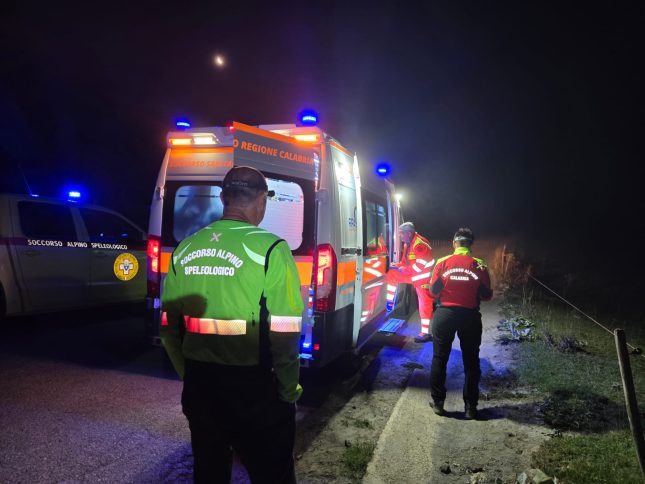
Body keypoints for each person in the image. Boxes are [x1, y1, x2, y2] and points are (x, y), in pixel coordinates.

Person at [160, 166, 304, 483]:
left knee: (209, 472)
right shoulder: (271, 249)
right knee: (273, 475)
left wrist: (189, 375)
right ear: (262, 200)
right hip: (255, 389)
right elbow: (285, 330)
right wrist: (288, 389)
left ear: (223, 198)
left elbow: (168, 327)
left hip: (200, 386)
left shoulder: (186, 248)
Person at [428, 227, 493, 420]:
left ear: (454, 243)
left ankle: (438, 403)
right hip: (470, 316)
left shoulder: (442, 262)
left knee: (440, 358)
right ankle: (470, 407)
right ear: (471, 244)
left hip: (445, 314)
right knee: (471, 361)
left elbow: (432, 291)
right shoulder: (479, 264)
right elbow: (487, 295)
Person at [384, 221, 435, 343]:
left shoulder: (420, 244)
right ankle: (389, 302)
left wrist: (404, 269)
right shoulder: (408, 244)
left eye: (401, 233)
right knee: (391, 273)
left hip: (422, 278)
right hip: (413, 275)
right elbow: (404, 263)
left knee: (424, 305)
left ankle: (426, 333)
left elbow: (419, 267)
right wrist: (397, 265)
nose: (399, 236)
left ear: (409, 233)